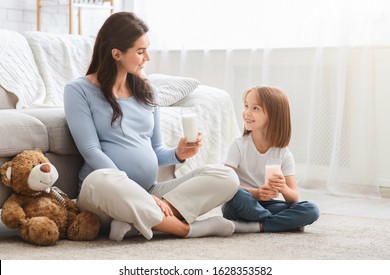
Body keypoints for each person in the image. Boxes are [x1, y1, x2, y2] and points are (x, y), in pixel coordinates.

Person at [63, 12, 239, 241]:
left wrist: (178, 154)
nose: (147, 57)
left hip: (151, 191)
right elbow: (91, 151)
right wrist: (139, 195)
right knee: (100, 180)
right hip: (104, 195)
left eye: (147, 49)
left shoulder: (146, 91)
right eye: (140, 51)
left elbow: (156, 151)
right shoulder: (78, 91)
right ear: (116, 53)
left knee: (226, 176)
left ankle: (135, 223)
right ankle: (186, 229)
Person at [222, 86, 319, 233]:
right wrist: (256, 193)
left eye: (255, 108)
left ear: (273, 116)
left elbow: (294, 197)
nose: (246, 113)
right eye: (246, 106)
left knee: (311, 209)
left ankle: (259, 225)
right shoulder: (238, 145)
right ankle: (282, 223)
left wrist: (283, 188)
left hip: (267, 205)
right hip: (241, 202)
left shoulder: (283, 154)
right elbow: (225, 185)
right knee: (237, 196)